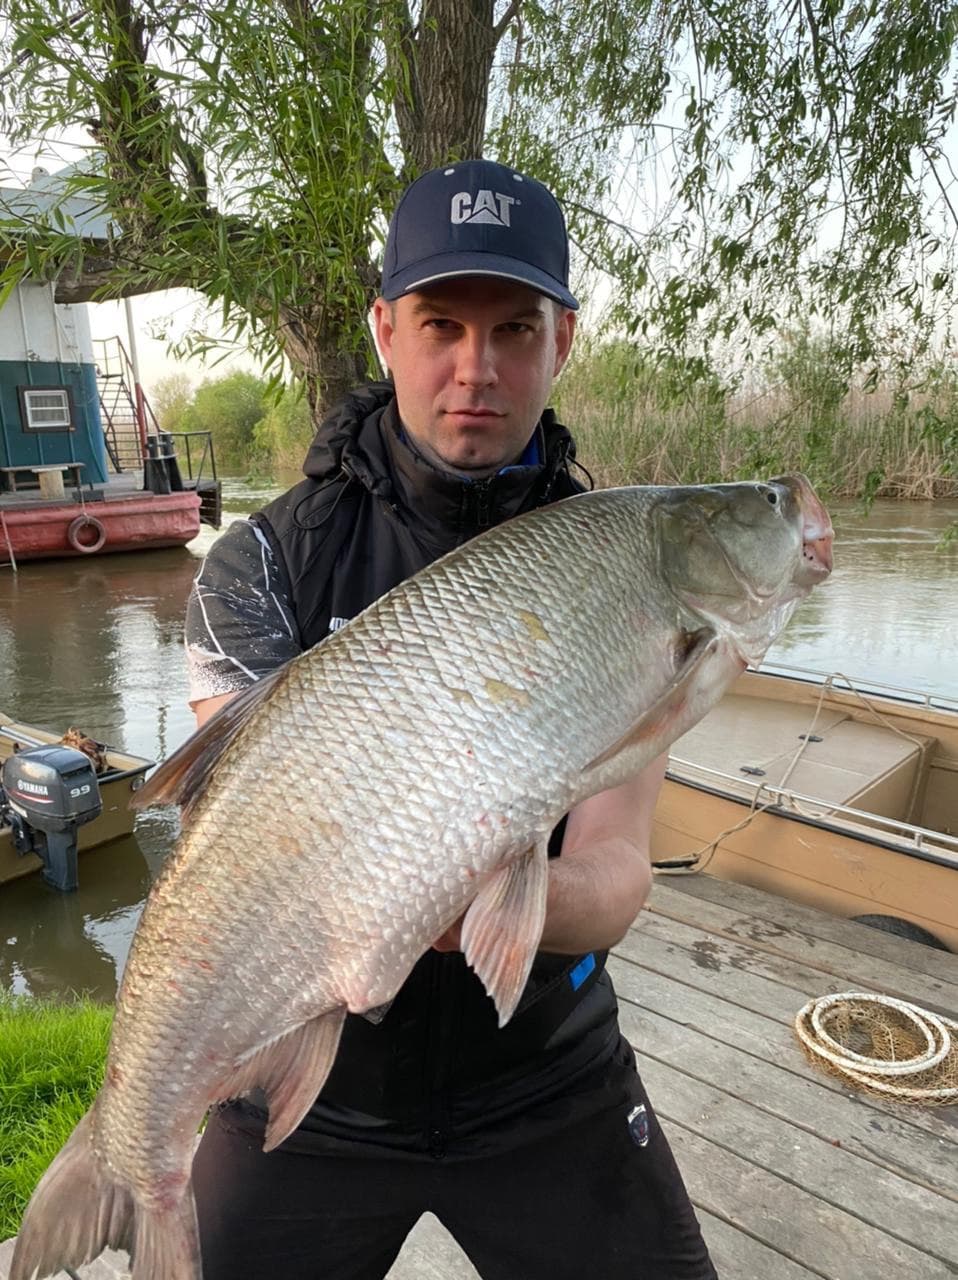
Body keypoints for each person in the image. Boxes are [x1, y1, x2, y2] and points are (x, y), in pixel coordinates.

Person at [185, 158, 717, 1280]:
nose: (476, 369)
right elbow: (236, 852)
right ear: (384, 329)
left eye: (514, 328)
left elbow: (618, 865)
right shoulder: (262, 566)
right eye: (441, 323)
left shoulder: (624, 564)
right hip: (312, 1083)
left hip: (546, 1073)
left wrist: (488, 901)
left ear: (561, 340)